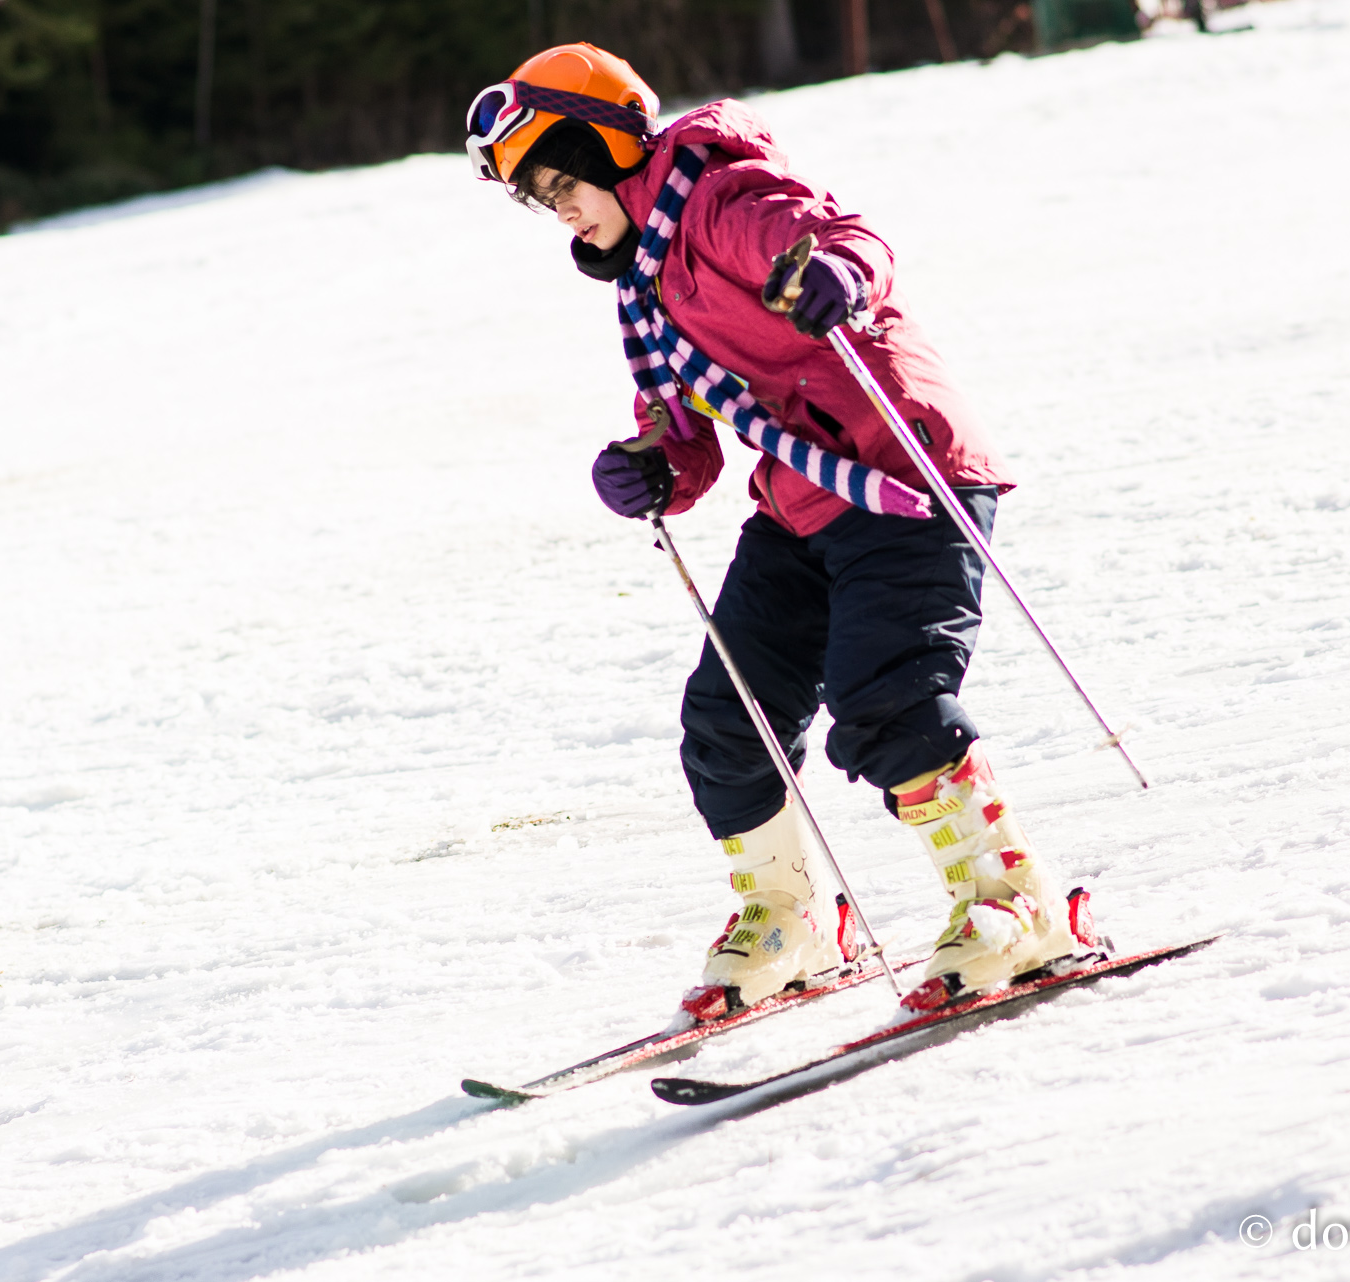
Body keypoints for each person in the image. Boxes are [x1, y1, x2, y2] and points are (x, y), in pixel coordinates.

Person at [464, 43, 1104, 1020]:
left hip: (900, 472)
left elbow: (852, 241)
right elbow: (683, 433)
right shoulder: (643, 287)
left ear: (602, 142)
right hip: (798, 497)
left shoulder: (723, 195)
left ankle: (1015, 905)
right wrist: (652, 467)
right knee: (729, 720)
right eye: (540, 202)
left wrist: (837, 276)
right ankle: (790, 925)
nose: (562, 212)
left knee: (886, 698)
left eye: (561, 183)